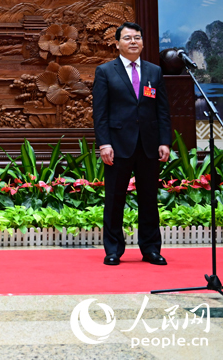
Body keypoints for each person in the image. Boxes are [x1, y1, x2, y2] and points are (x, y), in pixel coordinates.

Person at [93, 22, 171, 266]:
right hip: (117, 145)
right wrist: (104, 143)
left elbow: (163, 111)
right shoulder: (105, 71)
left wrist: (164, 142)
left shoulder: (154, 72)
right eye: (127, 38)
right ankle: (114, 249)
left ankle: (150, 249)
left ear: (143, 42)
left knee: (149, 199)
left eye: (137, 37)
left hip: (148, 145)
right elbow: (100, 112)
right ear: (117, 44)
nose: (133, 41)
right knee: (115, 199)